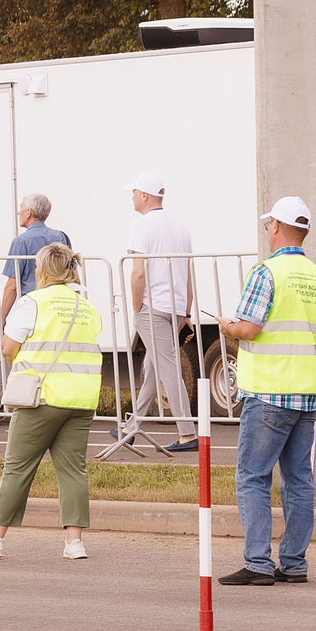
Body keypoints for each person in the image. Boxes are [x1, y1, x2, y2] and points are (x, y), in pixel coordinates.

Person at [218, 196, 316, 586]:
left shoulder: (266, 273)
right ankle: (294, 564)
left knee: (253, 477)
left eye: (268, 224)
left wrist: (227, 326)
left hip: (268, 393)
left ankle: (257, 563)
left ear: (275, 227)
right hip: (306, 395)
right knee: (299, 481)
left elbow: (249, 328)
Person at [0, 242, 101, 560]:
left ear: (43, 271)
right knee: (73, 470)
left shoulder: (32, 302)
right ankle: (74, 543)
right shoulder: (85, 306)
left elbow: (8, 348)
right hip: (81, 398)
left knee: (18, 468)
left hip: (41, 397)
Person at [123, 176, 197, 446]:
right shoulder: (181, 228)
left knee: (167, 368)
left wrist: (136, 306)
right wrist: (186, 313)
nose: (131, 197)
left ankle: (187, 433)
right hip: (175, 307)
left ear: (144, 195)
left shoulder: (141, 225)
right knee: (154, 367)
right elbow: (188, 274)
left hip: (152, 306)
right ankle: (130, 428)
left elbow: (138, 271)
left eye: (134, 192)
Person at [1, 194, 68, 319]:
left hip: (32, 307)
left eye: (21, 207)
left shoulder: (21, 242)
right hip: (59, 305)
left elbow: (12, 286)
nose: (18, 212)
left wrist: (2, 318)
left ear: (28, 213)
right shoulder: (61, 237)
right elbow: (73, 275)